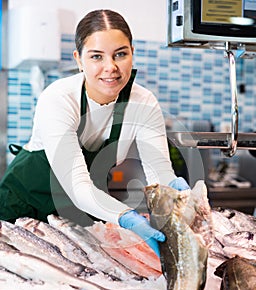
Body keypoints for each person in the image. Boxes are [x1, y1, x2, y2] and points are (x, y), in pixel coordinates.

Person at [0, 9, 189, 257]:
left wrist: (177, 191)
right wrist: (126, 217)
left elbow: (159, 173)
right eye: (97, 56)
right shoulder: (58, 98)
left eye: (120, 54)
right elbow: (78, 187)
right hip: (22, 209)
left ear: (133, 52)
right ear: (79, 60)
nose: (110, 67)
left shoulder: (144, 102)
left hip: (79, 216)